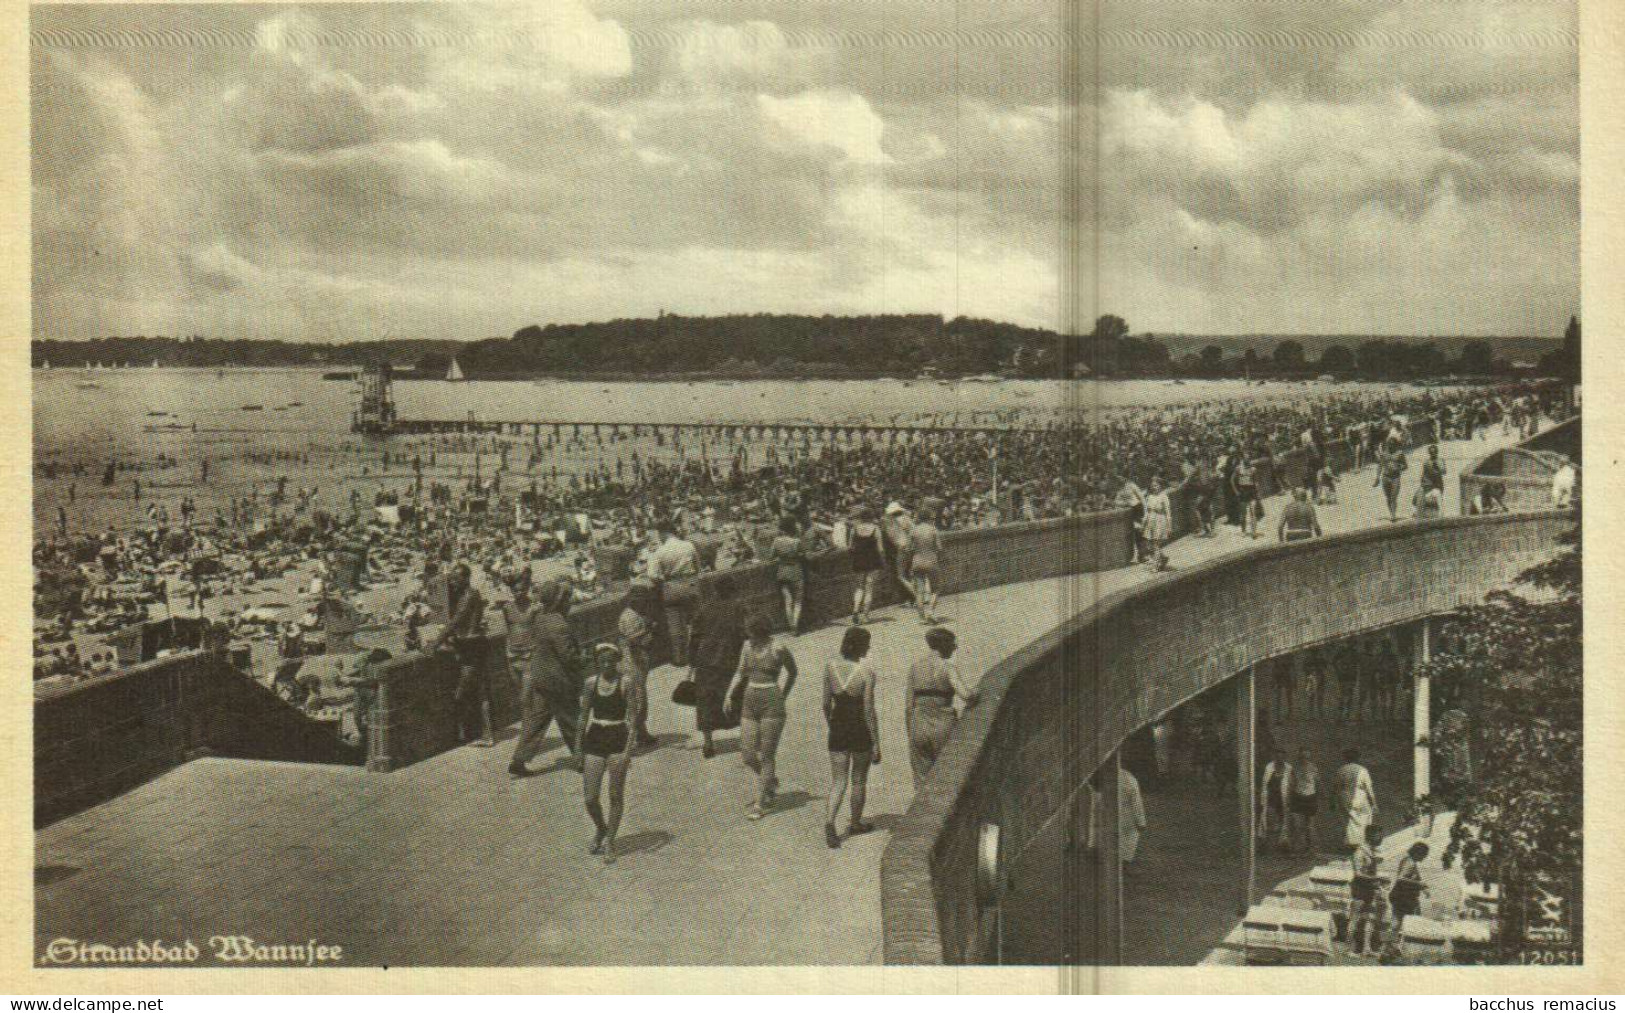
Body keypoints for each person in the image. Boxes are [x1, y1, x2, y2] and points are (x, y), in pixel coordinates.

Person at [725, 615, 799, 820]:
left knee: (766, 755)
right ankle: (770, 781)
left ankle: (760, 802)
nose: (750, 637)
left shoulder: (778, 648)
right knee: (748, 755)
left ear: (761, 633)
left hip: (771, 702)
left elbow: (793, 672)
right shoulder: (746, 646)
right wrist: (729, 694)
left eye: (752, 634)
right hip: (750, 700)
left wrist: (783, 694)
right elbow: (740, 673)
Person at [508, 580, 584, 778]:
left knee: (537, 720)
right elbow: (568, 657)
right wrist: (584, 659)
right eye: (566, 599)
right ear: (559, 602)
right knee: (572, 719)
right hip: (557, 680)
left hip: (540, 677)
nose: (568, 603)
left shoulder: (541, 619)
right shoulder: (559, 625)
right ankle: (582, 759)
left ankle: (519, 759)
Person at [577, 643, 642, 864]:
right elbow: (582, 717)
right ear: (597, 662)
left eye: (611, 661)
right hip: (595, 737)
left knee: (615, 795)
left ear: (617, 661)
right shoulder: (590, 684)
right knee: (590, 797)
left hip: (617, 737)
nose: (606, 665)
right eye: (602, 661)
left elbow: (633, 719)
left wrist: (628, 751)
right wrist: (578, 748)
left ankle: (611, 841)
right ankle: (601, 828)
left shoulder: (626, 683)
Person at [822, 626, 881, 848]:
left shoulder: (830, 667)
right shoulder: (867, 674)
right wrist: (876, 742)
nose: (869, 647)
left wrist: (832, 725)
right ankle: (855, 823)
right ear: (861, 646)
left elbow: (825, 704)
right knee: (859, 780)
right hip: (859, 730)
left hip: (838, 727)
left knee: (838, 781)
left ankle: (830, 822)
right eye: (867, 643)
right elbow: (869, 711)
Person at [906, 627, 979, 787]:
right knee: (946, 775)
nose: (955, 648)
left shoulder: (915, 667)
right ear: (944, 645)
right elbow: (966, 696)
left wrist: (910, 732)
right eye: (953, 644)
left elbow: (908, 706)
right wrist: (976, 692)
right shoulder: (948, 667)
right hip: (943, 725)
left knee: (921, 779)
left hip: (919, 724)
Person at [432, 562, 493, 747]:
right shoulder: (470, 594)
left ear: (466, 578)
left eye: (456, 579)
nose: (453, 583)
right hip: (472, 644)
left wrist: (435, 644)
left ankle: (478, 734)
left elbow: (455, 623)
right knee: (479, 691)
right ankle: (483, 734)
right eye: (451, 580)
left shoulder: (468, 596)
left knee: (463, 693)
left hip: (471, 647)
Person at [686, 575, 747, 758]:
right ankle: (746, 738)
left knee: (705, 702)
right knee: (737, 697)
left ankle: (708, 743)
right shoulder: (738, 607)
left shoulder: (705, 609)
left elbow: (694, 637)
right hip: (730, 659)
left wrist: (692, 662)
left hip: (706, 661)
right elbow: (744, 633)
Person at [649, 519, 700, 665]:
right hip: (690, 585)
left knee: (675, 626)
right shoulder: (688, 545)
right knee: (696, 621)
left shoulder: (659, 552)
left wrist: (664, 579)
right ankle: (697, 654)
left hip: (671, 587)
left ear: (663, 534)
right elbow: (697, 566)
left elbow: (652, 575)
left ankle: (680, 658)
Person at [1333, 747, 1379, 850]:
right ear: (1358, 758)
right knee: (1364, 818)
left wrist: (1335, 801)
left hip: (1345, 797)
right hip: (1359, 796)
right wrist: (1374, 804)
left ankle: (1351, 843)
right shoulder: (1362, 770)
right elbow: (1369, 788)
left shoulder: (1341, 770)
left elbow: (1336, 787)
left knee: (1349, 820)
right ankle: (1361, 843)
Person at [769, 515, 807, 634]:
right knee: (798, 601)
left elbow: (771, 557)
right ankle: (795, 626)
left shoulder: (776, 541)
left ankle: (791, 626)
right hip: (796, 571)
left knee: (788, 601)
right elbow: (804, 555)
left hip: (782, 571)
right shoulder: (796, 541)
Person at [848, 505, 885, 625]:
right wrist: (883, 561)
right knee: (869, 589)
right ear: (871, 517)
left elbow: (850, 547)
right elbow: (880, 549)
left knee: (859, 587)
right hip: (873, 560)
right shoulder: (875, 528)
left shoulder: (854, 528)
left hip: (859, 559)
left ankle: (855, 610)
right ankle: (865, 616)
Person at [910, 500, 944, 622]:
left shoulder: (914, 530)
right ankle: (930, 611)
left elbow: (910, 548)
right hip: (931, 560)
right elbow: (939, 548)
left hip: (917, 561)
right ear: (929, 518)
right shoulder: (933, 530)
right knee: (936, 588)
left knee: (919, 591)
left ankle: (921, 618)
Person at [1257, 745, 1293, 852]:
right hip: (1271, 799)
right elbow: (1264, 783)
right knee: (1268, 820)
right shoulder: (1269, 767)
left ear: (1284, 757)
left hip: (1284, 799)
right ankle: (1264, 844)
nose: (1279, 758)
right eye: (1277, 756)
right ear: (1275, 757)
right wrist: (1262, 798)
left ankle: (1283, 843)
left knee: (1284, 820)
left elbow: (1292, 784)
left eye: (1282, 756)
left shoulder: (1289, 768)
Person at [881, 502, 915, 606]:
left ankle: (916, 596)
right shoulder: (907, 519)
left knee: (901, 576)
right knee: (910, 574)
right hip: (911, 548)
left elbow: (890, 539)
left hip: (901, 549)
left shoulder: (890, 522)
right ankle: (912, 599)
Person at [1287, 746, 1319, 854]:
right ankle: (1296, 849)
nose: (1304, 758)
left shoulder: (1314, 768)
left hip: (1310, 797)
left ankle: (1310, 849)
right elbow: (1291, 784)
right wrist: (1289, 798)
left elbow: (1317, 783)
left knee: (1310, 825)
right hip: (1298, 797)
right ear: (1299, 757)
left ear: (1309, 757)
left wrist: (1318, 797)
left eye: (1306, 756)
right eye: (1302, 756)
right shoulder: (1294, 768)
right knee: (1296, 825)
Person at [1388, 841, 1430, 924]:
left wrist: (1422, 888)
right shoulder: (1410, 863)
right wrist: (1419, 884)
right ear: (1418, 853)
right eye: (1424, 854)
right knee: (1401, 923)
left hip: (1404, 898)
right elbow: (1400, 878)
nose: (1424, 857)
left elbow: (1410, 879)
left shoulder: (1409, 861)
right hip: (1402, 898)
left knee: (1402, 923)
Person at [1141, 476, 1173, 570]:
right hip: (1151, 521)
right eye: (1153, 486)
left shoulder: (1164, 497)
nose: (1154, 487)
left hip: (1159, 520)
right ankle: (1163, 558)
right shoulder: (1149, 497)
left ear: (1160, 486)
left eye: (1156, 485)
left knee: (1156, 544)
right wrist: (1144, 523)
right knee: (1149, 544)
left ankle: (1155, 566)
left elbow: (1168, 513)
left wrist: (1169, 526)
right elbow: (1146, 511)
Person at [1376, 438, 1407, 522]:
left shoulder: (1400, 454)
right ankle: (1391, 513)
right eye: (1389, 444)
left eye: (1392, 444)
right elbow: (1380, 466)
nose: (1390, 445)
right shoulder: (1384, 454)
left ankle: (1393, 515)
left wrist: (1399, 467)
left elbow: (1405, 466)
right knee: (1388, 497)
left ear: (1395, 445)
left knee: (1394, 497)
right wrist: (1377, 478)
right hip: (1385, 477)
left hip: (1395, 477)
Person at [1417, 444, 1446, 519]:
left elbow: (1444, 471)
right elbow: (1423, 475)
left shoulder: (1440, 460)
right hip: (1428, 485)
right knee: (1419, 498)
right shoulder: (1426, 462)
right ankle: (1420, 517)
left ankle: (1440, 517)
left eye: (1434, 452)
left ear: (1437, 452)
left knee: (1439, 499)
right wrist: (1423, 484)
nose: (1433, 454)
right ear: (1429, 453)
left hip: (1438, 485)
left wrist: (1437, 468)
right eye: (1431, 452)